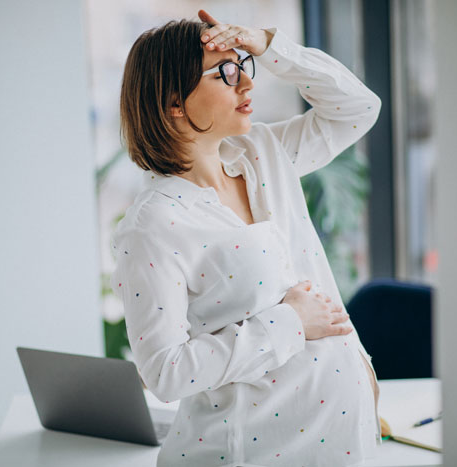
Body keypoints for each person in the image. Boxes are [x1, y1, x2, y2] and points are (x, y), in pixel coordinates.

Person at [110, 8, 382, 466]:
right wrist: (291, 323)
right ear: (174, 102)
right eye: (225, 72)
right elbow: (164, 372)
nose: (247, 84)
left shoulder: (263, 155)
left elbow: (359, 108)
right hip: (250, 453)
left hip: (342, 443)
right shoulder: (152, 225)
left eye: (244, 66)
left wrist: (268, 45)